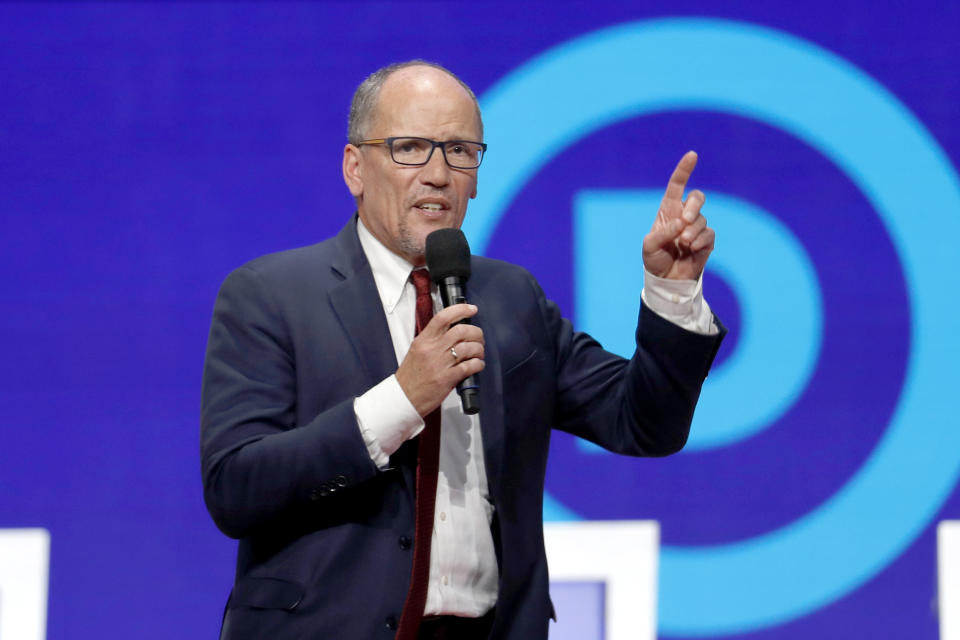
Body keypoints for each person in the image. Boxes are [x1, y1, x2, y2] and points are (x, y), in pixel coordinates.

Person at [200, 60, 725, 640]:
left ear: (475, 176)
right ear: (356, 168)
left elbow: (644, 424)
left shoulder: (512, 299)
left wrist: (672, 290)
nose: (437, 173)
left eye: (459, 152)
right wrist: (401, 400)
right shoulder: (271, 295)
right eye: (409, 148)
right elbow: (236, 487)